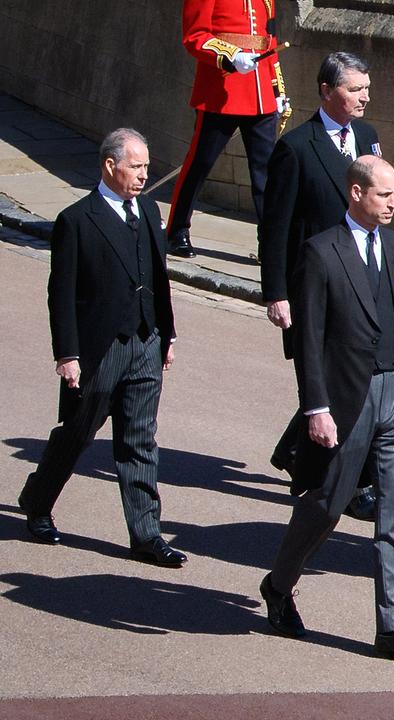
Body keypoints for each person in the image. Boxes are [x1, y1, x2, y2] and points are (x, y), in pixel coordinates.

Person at [259, 155, 394, 665]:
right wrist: (316, 408)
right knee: (328, 505)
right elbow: (309, 339)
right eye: (385, 195)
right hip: (345, 400)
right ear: (356, 193)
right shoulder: (321, 252)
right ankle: (279, 584)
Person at [18, 128, 184, 567]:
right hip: (99, 349)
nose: (144, 175)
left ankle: (146, 533)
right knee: (77, 434)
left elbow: (159, 277)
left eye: (147, 166)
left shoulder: (148, 210)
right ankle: (37, 502)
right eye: (136, 166)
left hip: (146, 342)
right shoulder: (77, 220)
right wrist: (68, 355)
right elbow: (62, 293)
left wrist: (166, 333)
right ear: (110, 166)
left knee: (139, 440)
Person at [258, 51, 380, 520]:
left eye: (366, 89)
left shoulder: (367, 137)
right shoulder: (297, 147)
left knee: (356, 376)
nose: (363, 97)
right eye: (353, 89)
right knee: (335, 381)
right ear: (327, 92)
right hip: (316, 284)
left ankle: (296, 451)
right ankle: (339, 482)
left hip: (362, 279)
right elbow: (275, 226)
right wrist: (276, 293)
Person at [167, 0, 285, 258]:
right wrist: (229, 55)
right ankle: (177, 229)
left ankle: (270, 242)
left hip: (261, 92)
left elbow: (270, 40)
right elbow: (195, 35)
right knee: (200, 163)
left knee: (267, 174)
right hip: (221, 89)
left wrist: (277, 89)